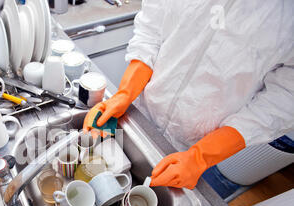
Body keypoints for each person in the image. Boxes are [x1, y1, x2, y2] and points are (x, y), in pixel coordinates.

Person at [83, 0, 294, 189]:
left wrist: (200, 158)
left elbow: (285, 97)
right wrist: (124, 94)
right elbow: (151, 30)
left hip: (204, 143)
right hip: (140, 114)